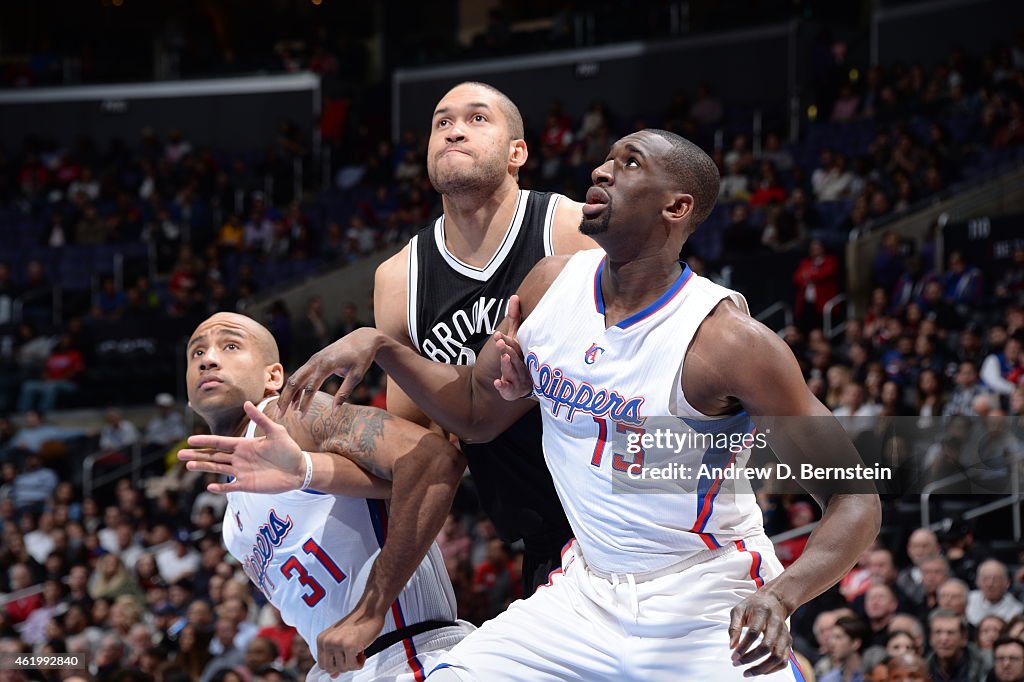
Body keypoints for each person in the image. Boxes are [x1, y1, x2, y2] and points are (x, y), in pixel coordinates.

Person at [224, 129, 880, 678]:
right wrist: (385, 348)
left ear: (675, 207)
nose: (601, 169)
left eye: (629, 165)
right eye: (607, 157)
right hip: (586, 587)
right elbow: (477, 415)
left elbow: (855, 497)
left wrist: (783, 595)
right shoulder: (549, 285)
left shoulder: (729, 342)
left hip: (704, 594)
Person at [310, 82, 595, 595]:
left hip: (631, 511)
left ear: (518, 153)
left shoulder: (571, 228)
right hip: (544, 541)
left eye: (477, 118)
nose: (455, 130)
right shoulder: (399, 279)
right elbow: (417, 449)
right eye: (442, 122)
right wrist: (304, 467)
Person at [178, 312, 472, 680]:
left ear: (273, 376)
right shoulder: (230, 528)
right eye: (196, 353)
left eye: (230, 345)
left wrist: (370, 609)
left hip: (406, 655)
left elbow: (432, 461)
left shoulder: (291, 415)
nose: (208, 358)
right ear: (189, 397)